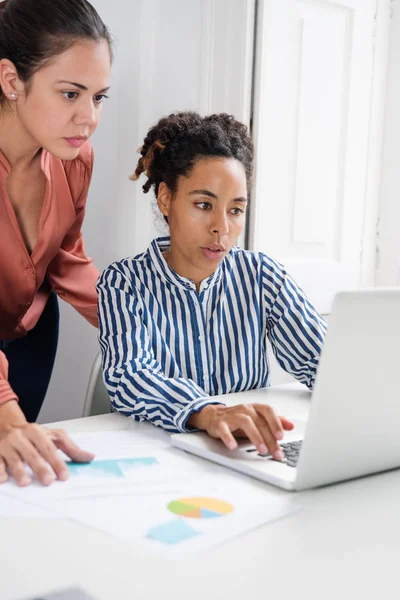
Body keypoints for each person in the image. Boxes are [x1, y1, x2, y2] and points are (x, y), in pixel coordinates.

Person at [97, 111, 327, 461]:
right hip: (163, 464)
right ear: (165, 199)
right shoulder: (123, 284)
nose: (221, 228)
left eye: (235, 210)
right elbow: (130, 377)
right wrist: (208, 413)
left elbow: (323, 361)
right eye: (204, 205)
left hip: (247, 458)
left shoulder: (263, 276)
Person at [0, 0, 112, 486]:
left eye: (100, 97)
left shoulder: (74, 158)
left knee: (20, 484)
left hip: (30, 341)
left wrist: (152, 324)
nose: (88, 118)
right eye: (70, 94)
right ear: (10, 80)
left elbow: (67, 259)